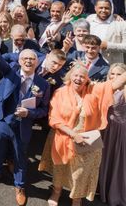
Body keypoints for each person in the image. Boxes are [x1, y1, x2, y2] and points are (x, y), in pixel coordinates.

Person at [39, 61, 126, 206]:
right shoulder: (60, 92)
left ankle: (77, 199)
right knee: (61, 168)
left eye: (82, 77)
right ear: (70, 76)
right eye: (76, 75)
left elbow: (114, 84)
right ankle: (57, 192)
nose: (78, 79)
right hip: (64, 137)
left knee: (80, 174)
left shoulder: (94, 91)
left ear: (87, 80)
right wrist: (73, 135)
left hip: (87, 140)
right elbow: (54, 119)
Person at [0, 47, 51, 206]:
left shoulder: (43, 84)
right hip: (3, 119)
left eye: (31, 59)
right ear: (19, 61)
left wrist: (30, 113)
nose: (28, 61)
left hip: (23, 124)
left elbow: (44, 109)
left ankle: (19, 186)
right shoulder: (11, 73)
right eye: (24, 58)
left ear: (37, 62)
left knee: (20, 155)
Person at [99, 63, 126, 206]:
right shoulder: (106, 88)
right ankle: (101, 187)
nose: (114, 77)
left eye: (119, 74)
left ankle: (115, 192)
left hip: (120, 131)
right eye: (112, 74)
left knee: (117, 160)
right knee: (104, 158)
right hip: (105, 130)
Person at [87, 0, 126, 64]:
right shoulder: (89, 19)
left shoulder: (121, 23)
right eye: (101, 8)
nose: (103, 10)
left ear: (111, 9)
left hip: (112, 64)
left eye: (106, 8)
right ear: (95, 8)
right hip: (91, 63)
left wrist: (108, 45)